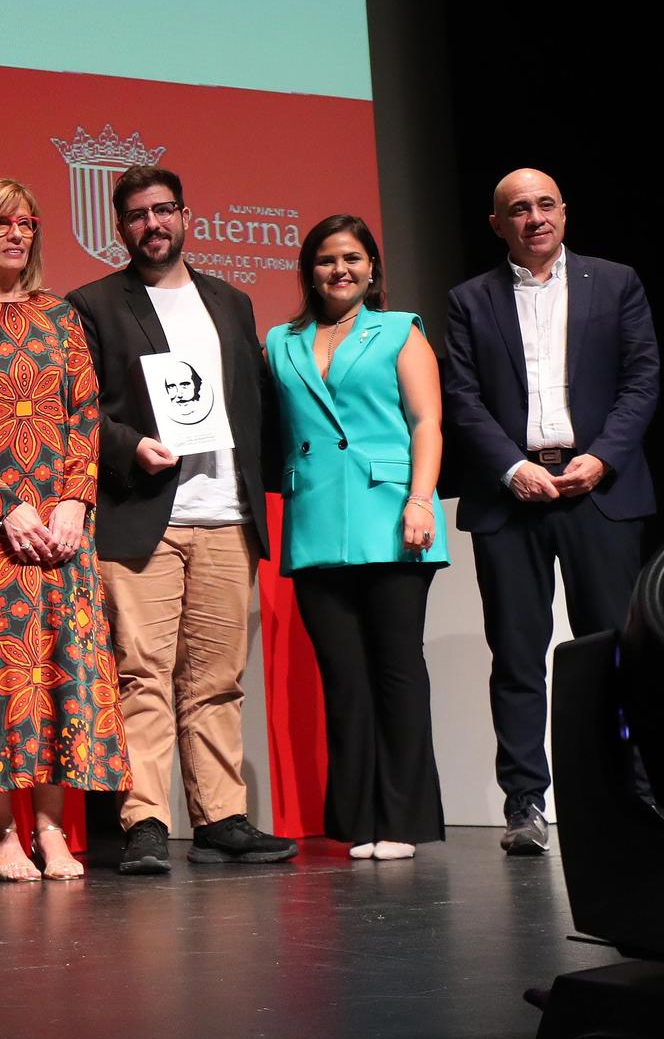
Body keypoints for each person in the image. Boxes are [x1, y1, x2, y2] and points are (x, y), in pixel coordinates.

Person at [65, 165, 298, 874]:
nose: (152, 225)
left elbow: (252, 403)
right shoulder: (94, 303)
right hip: (144, 514)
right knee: (142, 674)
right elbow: (81, 412)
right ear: (120, 226)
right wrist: (130, 444)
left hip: (226, 514)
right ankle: (144, 822)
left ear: (187, 215)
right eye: (136, 215)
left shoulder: (231, 300)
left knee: (217, 679)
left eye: (163, 210)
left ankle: (222, 817)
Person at [442, 168, 659, 855]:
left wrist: (603, 457)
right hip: (513, 495)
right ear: (497, 224)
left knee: (617, 649)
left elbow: (642, 377)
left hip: (600, 487)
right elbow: (462, 395)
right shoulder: (469, 300)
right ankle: (525, 805)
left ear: (564, 212)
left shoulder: (615, 281)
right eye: (518, 209)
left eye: (544, 204)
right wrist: (513, 467)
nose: (534, 217)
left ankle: (633, 792)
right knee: (517, 655)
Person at [0, 178, 129, 882]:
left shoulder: (60, 316)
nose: (16, 234)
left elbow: (84, 414)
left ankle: (49, 826)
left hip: (63, 529)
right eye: (0, 224)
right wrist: (4, 506)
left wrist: (73, 503)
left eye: (27, 223)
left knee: (57, 671)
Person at [264, 215, 447, 860]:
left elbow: (427, 423)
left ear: (372, 268)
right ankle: (360, 820)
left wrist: (420, 501)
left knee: (396, 670)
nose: (338, 270)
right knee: (343, 679)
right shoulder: (280, 341)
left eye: (351, 258)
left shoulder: (401, 331)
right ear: (308, 272)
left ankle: (403, 819)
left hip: (395, 516)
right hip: (314, 522)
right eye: (324, 260)